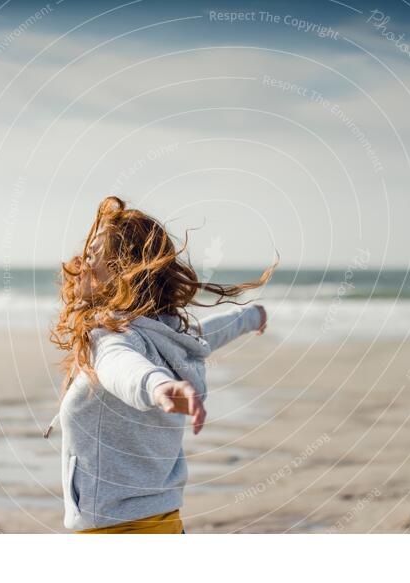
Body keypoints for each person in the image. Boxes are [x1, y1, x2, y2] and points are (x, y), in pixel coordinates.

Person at [45, 196, 276, 534]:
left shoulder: (111, 338)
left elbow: (121, 366)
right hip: (166, 521)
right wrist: (250, 316)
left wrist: (157, 386)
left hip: (116, 530)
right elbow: (204, 334)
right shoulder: (165, 334)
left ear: (122, 273)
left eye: (92, 255)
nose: (80, 261)